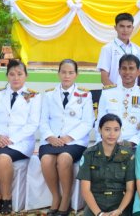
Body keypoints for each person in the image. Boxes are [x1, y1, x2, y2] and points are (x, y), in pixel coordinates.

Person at [0, 59, 41, 215]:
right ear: (7, 76)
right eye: (12, 74)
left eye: (20, 74)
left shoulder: (34, 96)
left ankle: (7, 198)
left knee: (3, 159)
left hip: (20, 142)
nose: (16, 78)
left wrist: (11, 139)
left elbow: (32, 124)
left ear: (26, 76)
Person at [40, 59, 95, 216]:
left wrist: (69, 138)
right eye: (63, 72)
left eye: (71, 72)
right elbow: (43, 120)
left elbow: (87, 122)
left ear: (76, 75)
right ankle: (56, 197)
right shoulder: (49, 94)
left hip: (74, 141)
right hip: (52, 139)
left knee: (64, 158)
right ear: (58, 74)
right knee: (46, 160)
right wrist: (50, 137)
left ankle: (66, 199)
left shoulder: (85, 94)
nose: (67, 75)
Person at [77, 114, 135, 216]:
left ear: (120, 131)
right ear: (100, 130)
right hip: (95, 204)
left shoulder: (128, 155)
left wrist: (119, 210)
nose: (112, 134)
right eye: (107, 129)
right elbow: (85, 190)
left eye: (116, 130)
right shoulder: (89, 154)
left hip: (120, 204)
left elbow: (130, 189)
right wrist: (99, 214)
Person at [96, 54, 140, 147]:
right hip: (109, 144)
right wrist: (105, 142)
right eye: (124, 68)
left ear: (138, 71)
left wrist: (132, 142)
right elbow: (100, 121)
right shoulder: (107, 93)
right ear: (119, 71)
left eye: (131, 68)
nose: (127, 72)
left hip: (137, 145)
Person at [98, 13, 140, 86]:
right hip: (114, 94)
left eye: (128, 27)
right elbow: (104, 77)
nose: (125, 30)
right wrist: (115, 92)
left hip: (133, 93)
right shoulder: (107, 48)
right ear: (115, 28)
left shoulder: (138, 49)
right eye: (122, 26)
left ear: (132, 28)